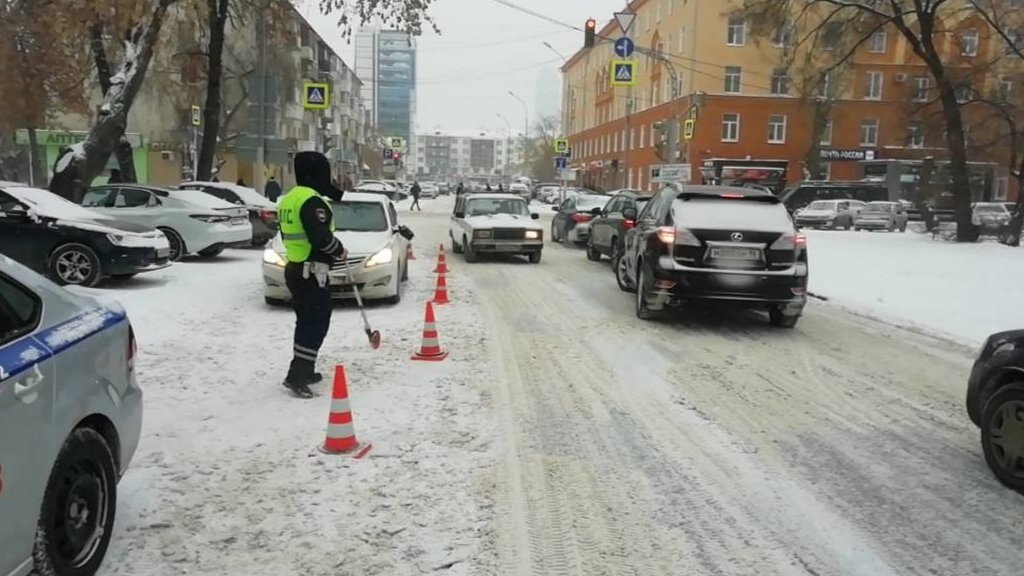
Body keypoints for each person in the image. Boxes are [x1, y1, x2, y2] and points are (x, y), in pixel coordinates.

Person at [277, 151, 347, 398]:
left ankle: (305, 369)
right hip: (310, 270)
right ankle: (297, 375)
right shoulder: (312, 201)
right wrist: (337, 249)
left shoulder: (290, 198)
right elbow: (320, 237)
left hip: (296, 268)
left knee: (306, 321)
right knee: (316, 323)